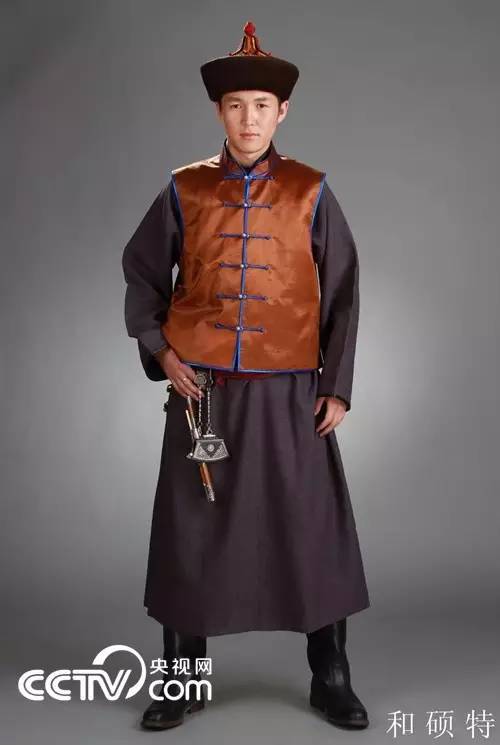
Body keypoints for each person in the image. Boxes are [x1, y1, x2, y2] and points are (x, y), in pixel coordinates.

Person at [121, 20, 371, 731]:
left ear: (282, 111)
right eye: (235, 106)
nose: (249, 119)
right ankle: (182, 677)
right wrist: (163, 352)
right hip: (203, 394)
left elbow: (343, 289)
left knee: (309, 525)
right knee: (190, 532)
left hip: (291, 391)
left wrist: (335, 383)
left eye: (261, 105)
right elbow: (143, 275)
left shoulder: (311, 189)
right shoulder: (184, 188)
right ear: (218, 112)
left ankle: (330, 674)